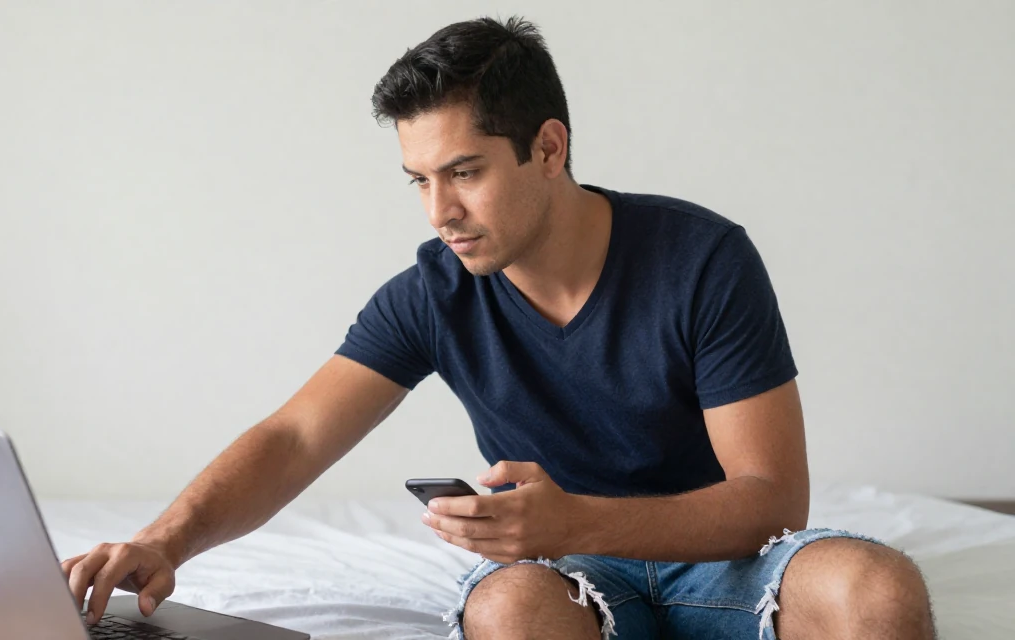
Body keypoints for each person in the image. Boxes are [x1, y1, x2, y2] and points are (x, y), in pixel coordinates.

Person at [61, 16, 936, 640]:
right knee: (509, 610)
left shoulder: (702, 258)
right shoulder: (433, 291)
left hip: (724, 559)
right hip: (562, 579)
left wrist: (574, 518)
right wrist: (163, 540)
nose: (440, 209)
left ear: (548, 149)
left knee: (875, 587)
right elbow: (294, 437)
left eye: (465, 172)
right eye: (418, 179)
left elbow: (773, 500)